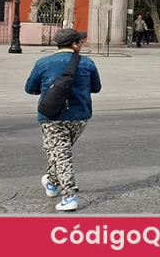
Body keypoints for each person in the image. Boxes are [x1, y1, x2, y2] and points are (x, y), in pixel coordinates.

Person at [25, 29, 102, 212]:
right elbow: (96, 88)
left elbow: (30, 88)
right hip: (80, 116)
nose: (81, 46)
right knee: (62, 153)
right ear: (74, 45)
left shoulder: (43, 63)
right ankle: (51, 183)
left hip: (52, 116)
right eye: (80, 43)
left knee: (61, 154)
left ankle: (69, 196)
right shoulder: (87, 63)